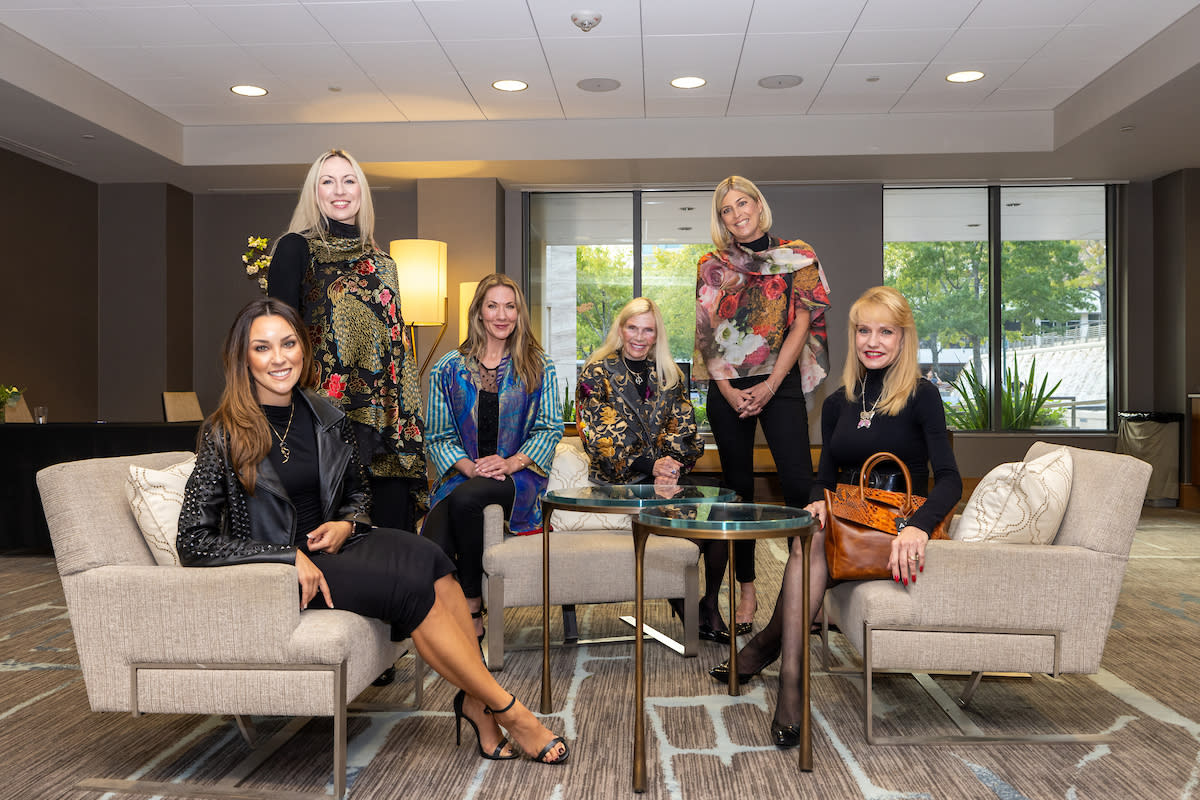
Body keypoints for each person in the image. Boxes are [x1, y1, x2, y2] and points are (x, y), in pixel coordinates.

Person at [177, 298, 568, 765]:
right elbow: (193, 540)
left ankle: (475, 704)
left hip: (340, 546)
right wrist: (285, 556)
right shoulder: (222, 433)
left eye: (288, 343)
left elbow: (358, 492)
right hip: (286, 570)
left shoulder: (326, 415)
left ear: (303, 348)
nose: (279, 358)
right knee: (409, 588)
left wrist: (346, 522)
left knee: (430, 557)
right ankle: (510, 712)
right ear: (243, 358)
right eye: (262, 348)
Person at [712, 286, 962, 748]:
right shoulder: (839, 402)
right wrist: (817, 501)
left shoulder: (922, 395)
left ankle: (767, 650)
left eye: (886, 332)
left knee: (807, 546)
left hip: (894, 531)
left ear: (903, 337)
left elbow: (950, 478)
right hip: (849, 523)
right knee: (808, 533)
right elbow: (824, 477)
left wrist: (917, 528)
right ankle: (790, 682)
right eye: (864, 331)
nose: (873, 341)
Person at [694, 175, 832, 635]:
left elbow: (802, 323)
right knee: (737, 492)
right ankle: (747, 588)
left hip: (780, 381)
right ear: (721, 220)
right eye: (726, 210)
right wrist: (729, 391)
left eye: (742, 204)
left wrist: (771, 386)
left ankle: (806, 591)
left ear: (758, 204)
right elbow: (706, 333)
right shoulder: (711, 264)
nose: (737, 214)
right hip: (726, 386)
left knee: (798, 485)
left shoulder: (798, 255)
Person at [267, 149, 426, 531]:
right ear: (315, 192)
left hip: (386, 430)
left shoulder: (385, 264)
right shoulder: (296, 249)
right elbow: (276, 342)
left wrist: (405, 426)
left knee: (392, 545)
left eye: (348, 180)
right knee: (334, 543)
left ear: (361, 191)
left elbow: (398, 352)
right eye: (328, 181)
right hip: (323, 425)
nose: (339, 190)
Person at [575, 297, 731, 641]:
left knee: (720, 509)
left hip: (664, 479)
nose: (639, 336)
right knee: (687, 523)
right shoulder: (596, 372)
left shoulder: (669, 374)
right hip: (617, 480)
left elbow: (685, 429)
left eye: (648, 330)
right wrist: (651, 464)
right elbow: (599, 435)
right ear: (620, 329)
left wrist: (671, 464)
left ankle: (709, 603)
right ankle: (682, 600)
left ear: (657, 334)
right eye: (632, 327)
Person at [422, 274, 562, 641]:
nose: (502, 315)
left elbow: (549, 428)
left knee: (467, 500)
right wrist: (470, 468)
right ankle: (432, 624)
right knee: (431, 540)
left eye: (510, 306)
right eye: (493, 306)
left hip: (519, 477)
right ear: (479, 312)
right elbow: (438, 435)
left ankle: (472, 604)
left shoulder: (538, 365)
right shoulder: (447, 368)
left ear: (519, 313)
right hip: (461, 475)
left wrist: (510, 463)